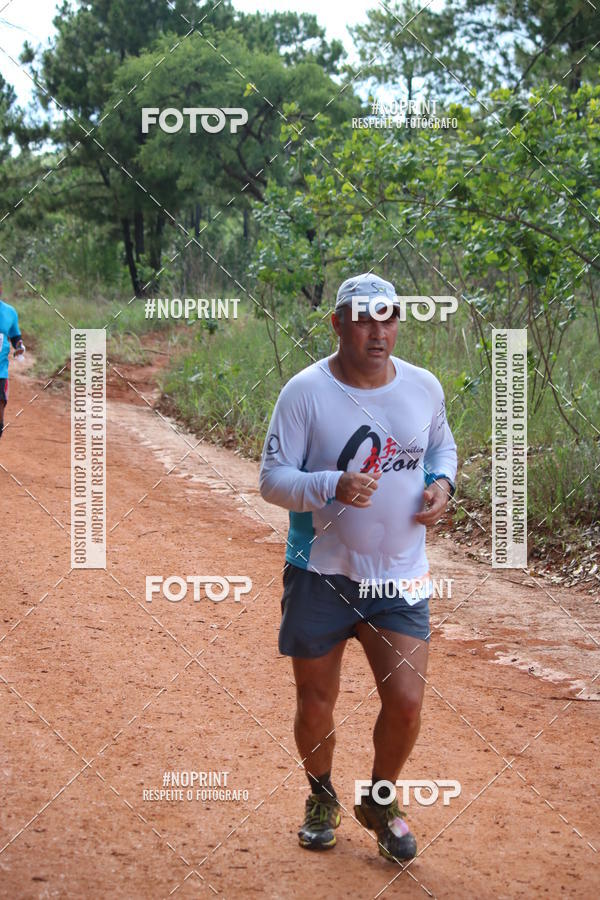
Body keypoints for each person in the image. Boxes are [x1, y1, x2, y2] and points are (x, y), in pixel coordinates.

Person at [259, 273, 457, 864]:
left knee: (406, 703)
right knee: (316, 700)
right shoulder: (305, 392)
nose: (377, 332)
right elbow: (272, 480)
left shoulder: (423, 386)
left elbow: (441, 448)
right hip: (320, 571)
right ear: (338, 324)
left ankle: (379, 801)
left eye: (387, 318)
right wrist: (331, 484)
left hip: (399, 575)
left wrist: (442, 483)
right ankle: (321, 797)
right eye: (364, 319)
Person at [0, 279, 26, 440]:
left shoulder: (10, 312)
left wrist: (19, 347)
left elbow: (16, 336)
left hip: (0, 370)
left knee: (0, 406)